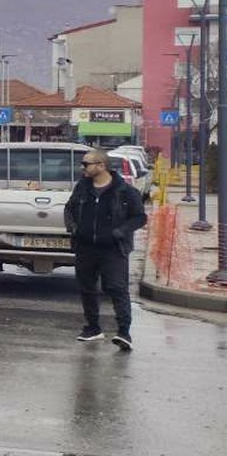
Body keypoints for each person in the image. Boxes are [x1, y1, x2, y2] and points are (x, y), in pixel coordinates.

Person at [66, 149, 147, 350]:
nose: (82, 168)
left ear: (101, 166)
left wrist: (119, 232)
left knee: (116, 288)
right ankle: (92, 328)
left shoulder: (124, 191)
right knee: (86, 288)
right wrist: (74, 229)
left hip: (113, 249)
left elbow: (139, 217)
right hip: (85, 247)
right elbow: (70, 209)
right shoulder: (82, 188)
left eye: (86, 164)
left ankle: (124, 332)